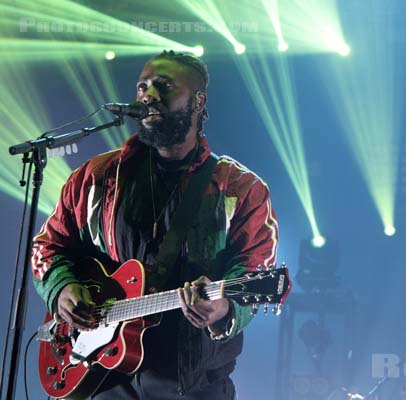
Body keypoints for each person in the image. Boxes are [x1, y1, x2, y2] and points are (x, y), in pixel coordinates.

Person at [31, 50, 279, 399]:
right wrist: (61, 288)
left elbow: (254, 268)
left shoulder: (241, 189)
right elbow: (48, 246)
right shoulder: (95, 178)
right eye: (142, 86)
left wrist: (224, 308)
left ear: (198, 101)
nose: (149, 95)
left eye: (164, 86)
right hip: (102, 375)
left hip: (193, 379)